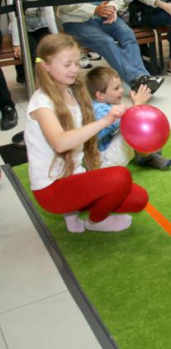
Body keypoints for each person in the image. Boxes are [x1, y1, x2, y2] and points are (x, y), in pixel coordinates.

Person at [26, 33, 149, 234]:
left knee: (138, 199)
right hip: (51, 190)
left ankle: (72, 211)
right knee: (120, 176)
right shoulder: (41, 103)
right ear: (46, 65)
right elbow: (59, 143)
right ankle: (95, 221)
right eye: (67, 64)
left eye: (77, 63)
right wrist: (104, 121)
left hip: (74, 176)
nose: (74, 70)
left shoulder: (74, 90)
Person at [87, 66, 171, 170]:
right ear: (100, 95)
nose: (122, 90)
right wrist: (137, 104)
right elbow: (128, 123)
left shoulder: (99, 105)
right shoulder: (100, 110)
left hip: (103, 157)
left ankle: (144, 155)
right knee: (131, 129)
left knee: (130, 127)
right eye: (116, 88)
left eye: (120, 86)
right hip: (103, 163)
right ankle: (149, 157)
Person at [5, 0, 58, 85]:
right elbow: (13, 16)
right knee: (34, 55)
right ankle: (37, 85)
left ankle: (51, 82)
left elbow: (49, 12)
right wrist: (17, 43)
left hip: (41, 26)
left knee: (47, 51)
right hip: (22, 27)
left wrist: (56, 36)